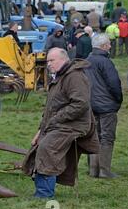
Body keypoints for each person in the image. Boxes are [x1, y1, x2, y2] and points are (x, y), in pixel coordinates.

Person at [22, 48, 99, 198]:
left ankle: (44, 194)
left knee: (47, 148)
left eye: (52, 60)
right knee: (40, 147)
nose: (48, 64)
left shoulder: (74, 76)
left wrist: (57, 118)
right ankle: (41, 191)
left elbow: (80, 104)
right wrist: (41, 129)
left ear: (63, 59)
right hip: (59, 123)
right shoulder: (60, 76)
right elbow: (52, 107)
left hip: (73, 124)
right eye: (47, 61)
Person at [86, 34, 123, 179]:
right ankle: (104, 170)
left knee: (94, 137)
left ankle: (93, 169)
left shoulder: (87, 60)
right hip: (107, 106)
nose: (110, 46)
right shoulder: (105, 62)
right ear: (102, 46)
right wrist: (118, 100)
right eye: (108, 44)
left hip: (91, 104)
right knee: (107, 137)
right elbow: (114, 84)